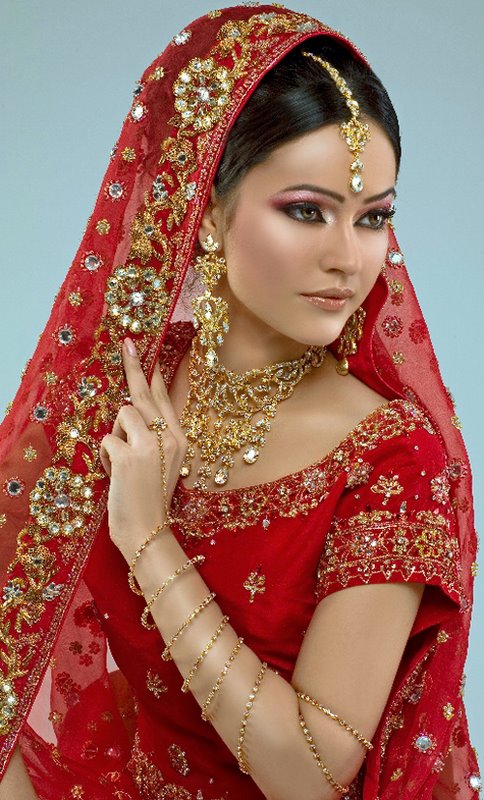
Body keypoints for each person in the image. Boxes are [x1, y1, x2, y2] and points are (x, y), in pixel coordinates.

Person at [0, 4, 480, 798]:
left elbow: (314, 774)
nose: (348, 258)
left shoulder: (394, 458)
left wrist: (148, 539)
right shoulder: (131, 384)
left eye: (373, 218)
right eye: (306, 210)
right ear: (211, 211)